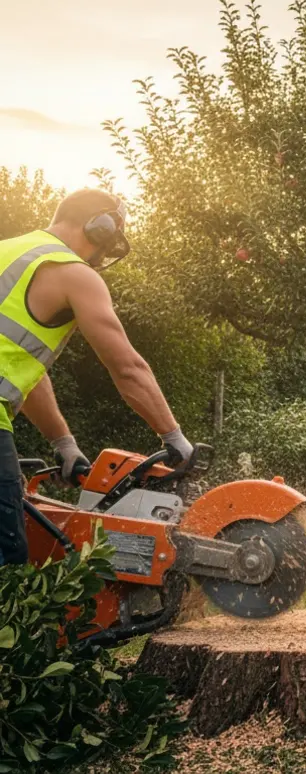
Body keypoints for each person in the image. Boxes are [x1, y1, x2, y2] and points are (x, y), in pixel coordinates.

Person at [0, 188, 193, 566]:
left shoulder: (10, 251)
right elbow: (127, 368)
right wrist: (175, 439)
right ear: (100, 227)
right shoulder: (73, 273)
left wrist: (65, 443)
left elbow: (24, 368)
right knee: (6, 557)